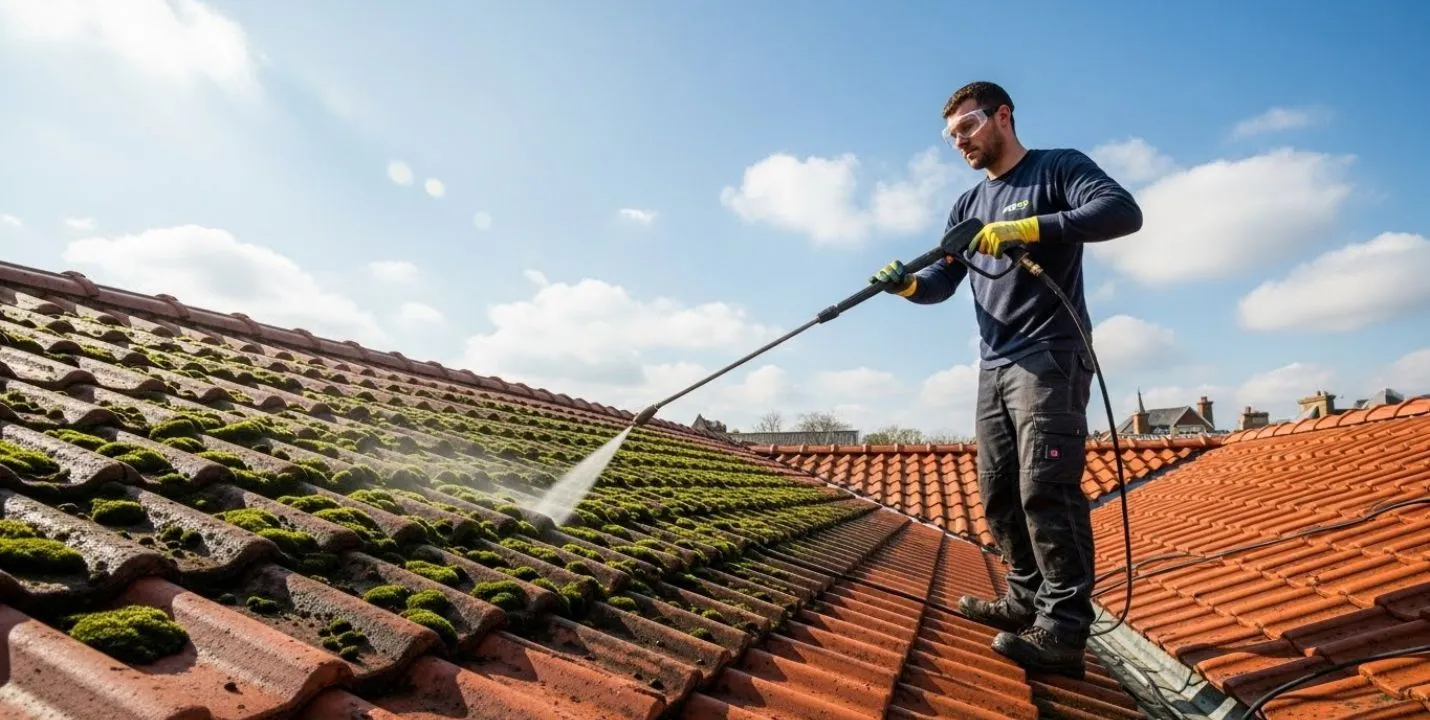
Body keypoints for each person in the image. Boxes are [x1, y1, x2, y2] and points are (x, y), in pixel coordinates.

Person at [870, 81, 1142, 678]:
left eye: (967, 127)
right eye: (950, 137)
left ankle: (1064, 632)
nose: (959, 142)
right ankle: (1023, 599)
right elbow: (943, 281)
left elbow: (1123, 213)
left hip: (1051, 354)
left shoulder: (1058, 169)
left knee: (1046, 488)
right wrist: (906, 285)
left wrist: (1028, 229)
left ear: (1002, 115)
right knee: (997, 490)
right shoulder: (966, 207)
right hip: (994, 364)